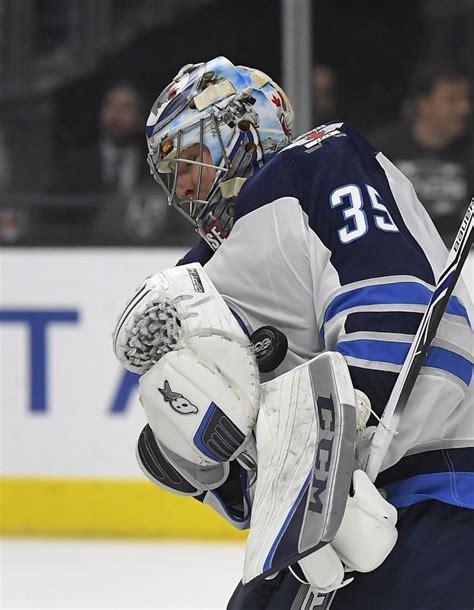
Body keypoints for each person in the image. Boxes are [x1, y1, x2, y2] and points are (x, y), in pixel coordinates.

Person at [113, 57, 473, 609]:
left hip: (440, 488)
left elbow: (394, 306)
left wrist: (340, 449)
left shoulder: (319, 164)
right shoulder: (199, 279)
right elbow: (241, 487)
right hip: (333, 530)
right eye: (172, 175)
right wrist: (201, 453)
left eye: (192, 160)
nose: (182, 185)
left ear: (244, 128)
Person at [370, 60, 473, 246]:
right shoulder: (381, 149)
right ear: (422, 104)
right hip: (397, 254)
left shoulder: (469, 152)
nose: (464, 109)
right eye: (452, 100)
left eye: (466, 100)